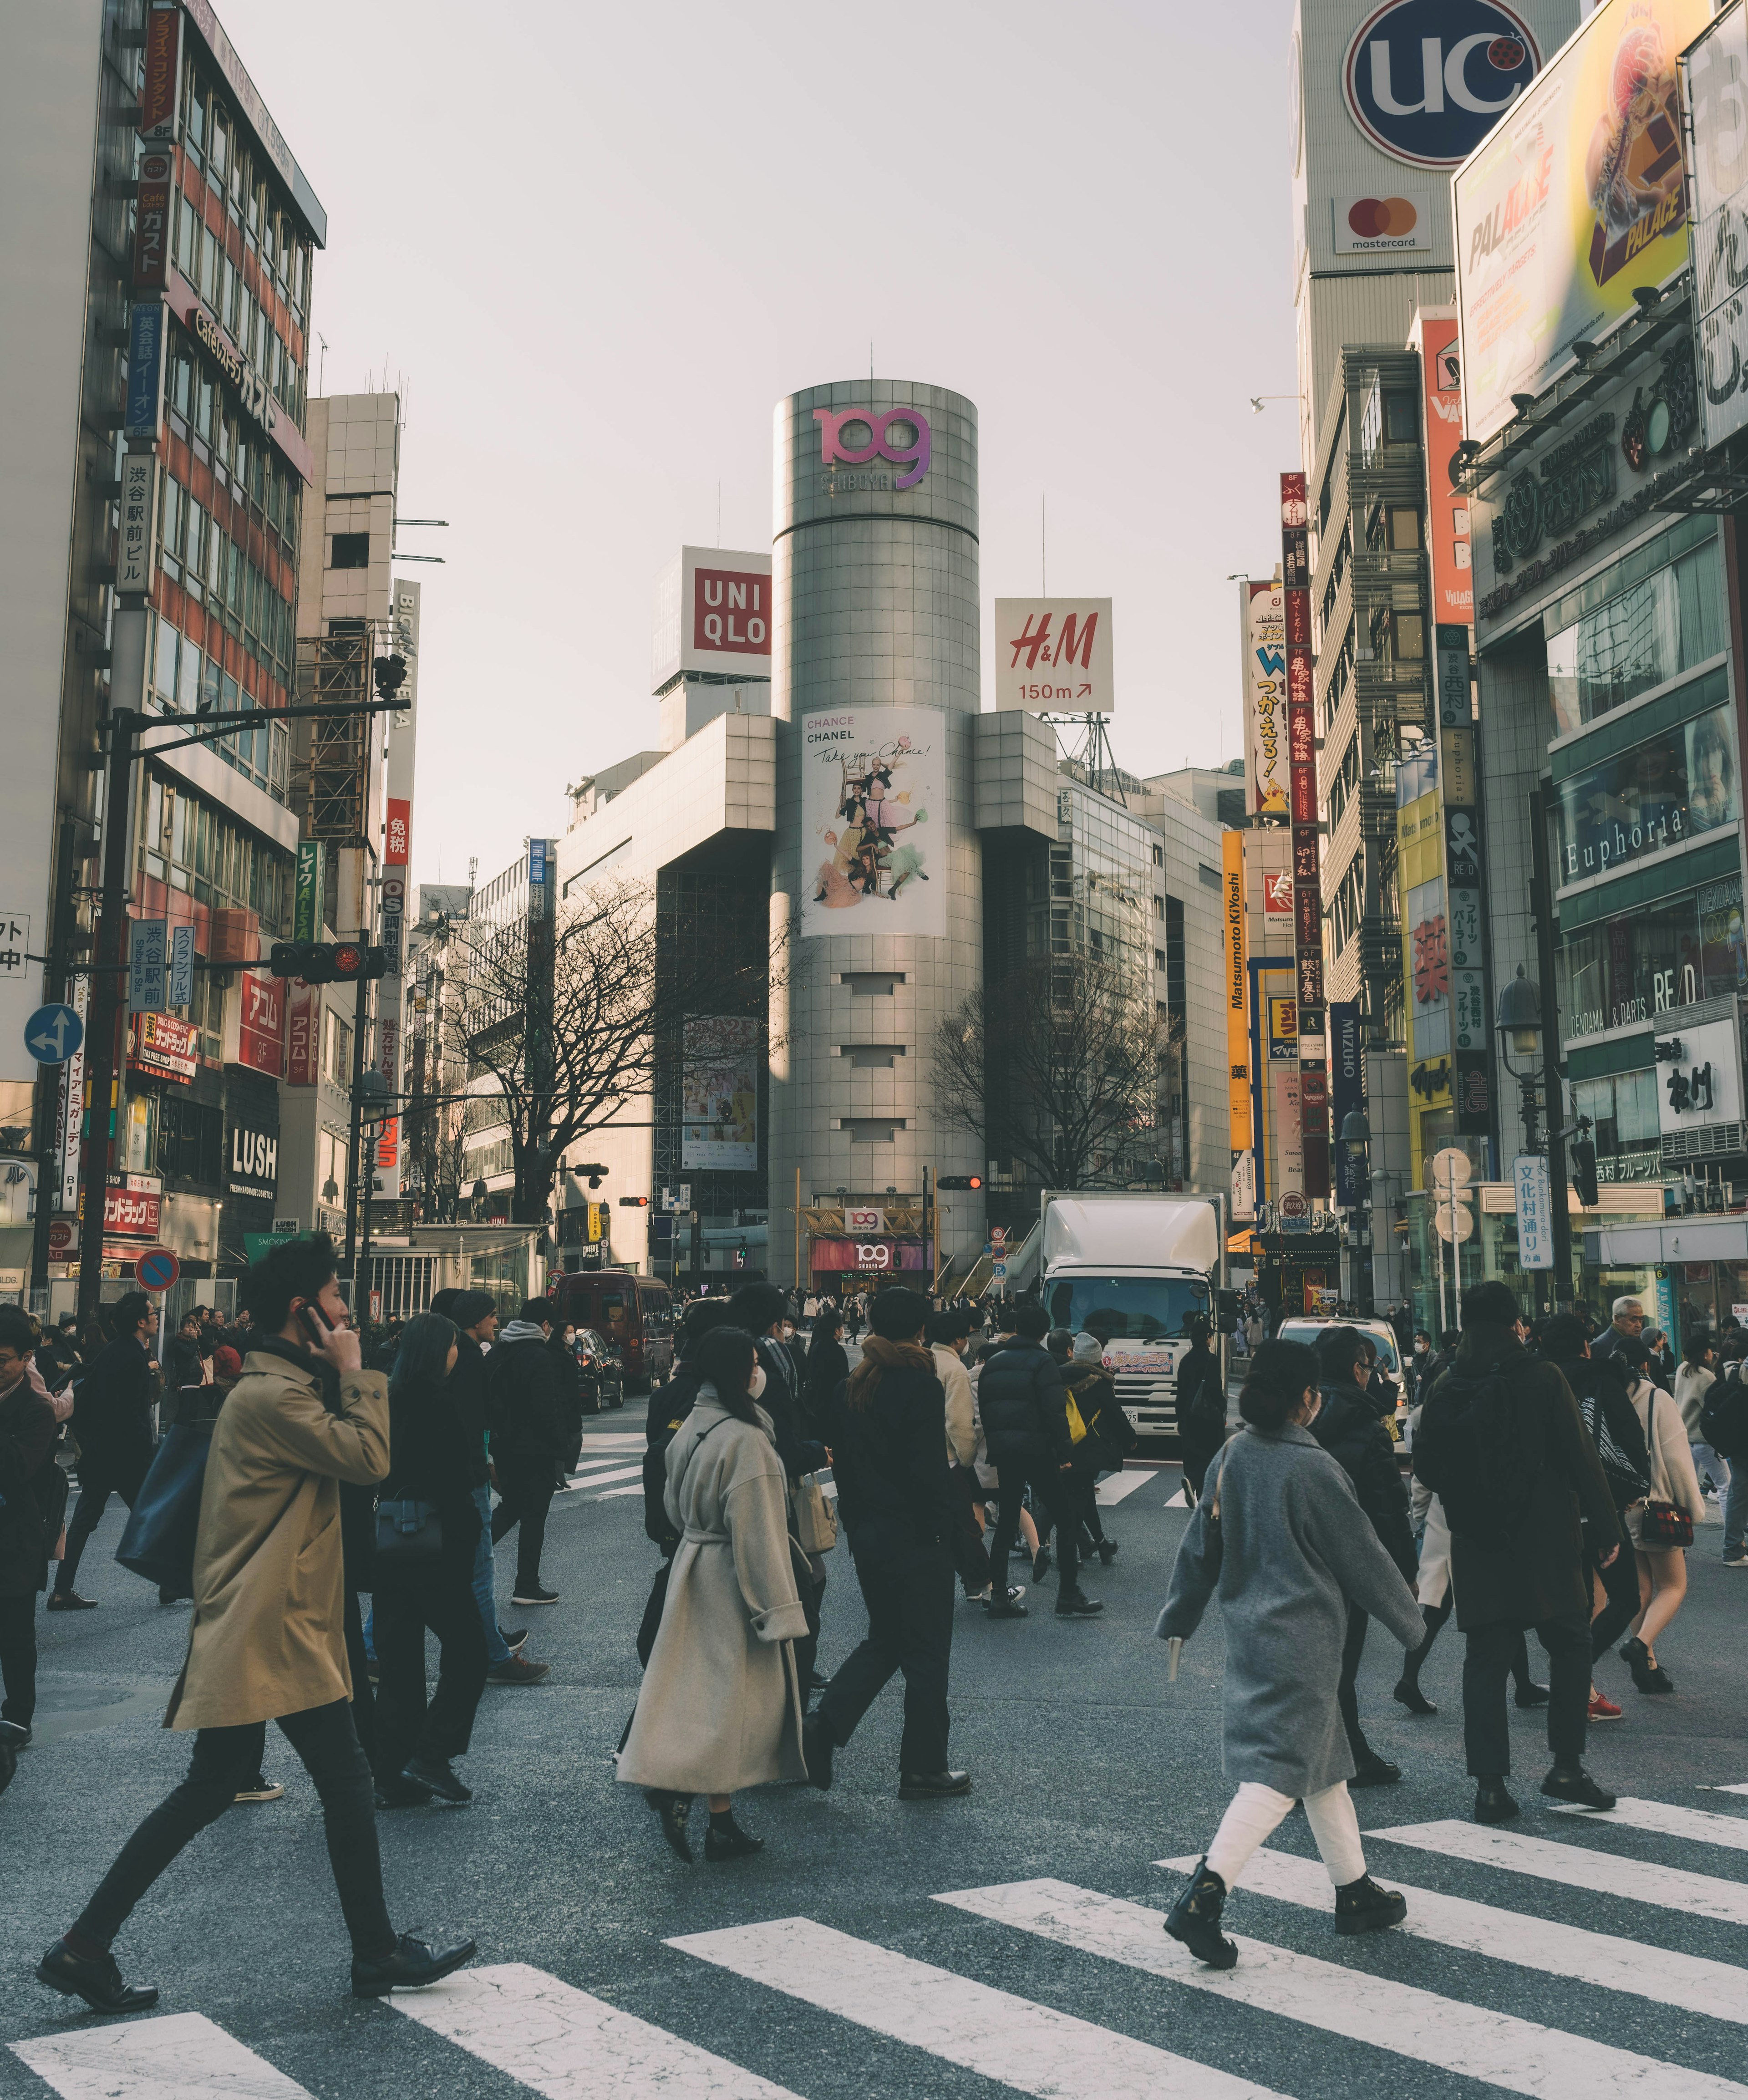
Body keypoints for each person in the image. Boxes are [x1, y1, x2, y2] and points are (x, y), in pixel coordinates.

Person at [37, 1233, 476, 2014]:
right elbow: (370, 1459)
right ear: (304, 1312)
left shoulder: (281, 1389)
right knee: (342, 1782)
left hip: (268, 1620)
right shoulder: (276, 1398)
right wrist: (355, 1370)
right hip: (274, 1623)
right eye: (338, 1297)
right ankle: (373, 1951)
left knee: (219, 1788)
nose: (350, 1312)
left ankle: (85, 1945)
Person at [1157, 1341, 1423, 1967]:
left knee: (1325, 1763)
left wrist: (1179, 1617)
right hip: (1305, 1641)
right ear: (1308, 1400)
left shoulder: (1233, 1455)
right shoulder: (1314, 1470)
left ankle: (1355, 1890)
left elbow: (1201, 1545)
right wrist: (1413, 1627)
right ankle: (1203, 1896)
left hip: (1250, 1631)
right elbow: (1365, 1558)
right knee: (1279, 1772)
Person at [1414, 1281, 1623, 1825]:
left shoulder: (1448, 1381)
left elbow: (1429, 1467)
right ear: (1514, 1323)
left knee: (1485, 1661)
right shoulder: (1541, 1376)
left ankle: (1490, 1787)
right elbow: (1583, 1458)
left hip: (1477, 1542)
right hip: (1546, 1539)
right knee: (1572, 1643)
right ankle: (1566, 1767)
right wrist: (1606, 1528)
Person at [620, 1326, 808, 1861]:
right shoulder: (747, 1440)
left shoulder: (696, 1425)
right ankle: (681, 1790)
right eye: (752, 1362)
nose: (758, 1370)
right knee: (735, 1705)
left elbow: (674, 1505)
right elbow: (760, 1532)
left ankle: (718, 1818)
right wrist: (778, 1609)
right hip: (733, 1579)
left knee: (709, 1698)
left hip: (693, 1566)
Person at [805, 1289, 968, 1800]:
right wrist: (947, 1534)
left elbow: (844, 1467)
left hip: (870, 1536)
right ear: (921, 1329)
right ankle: (923, 1767)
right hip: (917, 1538)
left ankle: (822, 1728)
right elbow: (927, 1474)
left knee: (889, 1640)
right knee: (925, 1653)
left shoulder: (853, 1385)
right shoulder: (918, 1384)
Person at [371, 1312, 491, 1809]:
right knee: (470, 1650)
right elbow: (452, 1483)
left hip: (392, 1542)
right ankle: (432, 1753)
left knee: (400, 1666)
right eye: (451, 1345)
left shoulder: (389, 1400)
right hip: (437, 1546)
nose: (456, 1353)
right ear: (437, 1351)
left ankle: (392, 1774)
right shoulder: (437, 1404)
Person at [1310, 1327, 1418, 1787]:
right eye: (1369, 1366)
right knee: (1342, 1663)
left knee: (1317, 1665)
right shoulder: (1366, 1426)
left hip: (1299, 1557)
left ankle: (1349, 1753)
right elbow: (1388, 1507)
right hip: (1348, 1563)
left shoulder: (1300, 1418)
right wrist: (1403, 1572)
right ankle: (1328, 1761)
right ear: (1357, 1370)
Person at [431, 1291, 544, 1689]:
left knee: (416, 1567)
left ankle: (489, 1645)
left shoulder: (451, 1353)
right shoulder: (466, 1357)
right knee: (480, 1566)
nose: (496, 1323)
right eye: (493, 1316)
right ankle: (494, 1655)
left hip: (447, 1472)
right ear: (477, 1320)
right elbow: (473, 1419)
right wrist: (488, 1463)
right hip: (468, 1473)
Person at [1539, 1315, 1646, 1722]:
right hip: (1600, 1504)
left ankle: (1580, 1690)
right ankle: (1575, 1681)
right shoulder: (1603, 1378)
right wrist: (1634, 1486)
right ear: (1586, 1346)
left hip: (1552, 1508)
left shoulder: (1537, 1382)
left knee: (1577, 1604)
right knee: (1625, 1597)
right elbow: (1630, 1438)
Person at [978, 1301, 1100, 1618]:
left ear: (1017, 1328)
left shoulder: (995, 1362)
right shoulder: (1043, 1362)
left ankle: (999, 1596)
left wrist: (997, 1444)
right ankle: (1068, 1594)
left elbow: (987, 1410)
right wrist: (1064, 1452)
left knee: (1006, 1523)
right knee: (1064, 1515)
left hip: (1005, 1451)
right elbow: (1054, 1411)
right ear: (1044, 1332)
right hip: (1037, 1450)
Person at [50, 1292, 160, 1612]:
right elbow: (133, 1412)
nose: (156, 1317)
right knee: (150, 1516)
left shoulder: (115, 1350)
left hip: (102, 1453)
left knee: (86, 1519)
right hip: (124, 1456)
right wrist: (148, 1455)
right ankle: (173, 1581)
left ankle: (61, 1589)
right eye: (152, 1313)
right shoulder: (131, 1355)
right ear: (141, 1322)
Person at [1615, 1332, 1706, 1695]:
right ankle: (1639, 1645)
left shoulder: (1607, 1398)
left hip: (1625, 1507)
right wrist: (1693, 1510)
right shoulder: (1657, 1398)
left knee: (1641, 1588)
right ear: (1646, 1364)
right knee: (1674, 1585)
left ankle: (1648, 1663)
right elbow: (1677, 1460)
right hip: (1658, 1505)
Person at [0, 1306, 64, 1750]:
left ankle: (18, 1715)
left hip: (14, 1538)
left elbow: (18, 1468)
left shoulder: (36, 1410)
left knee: (15, 1632)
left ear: (25, 1359)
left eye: (2, 1358)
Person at [487, 1298, 569, 1608]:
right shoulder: (539, 1356)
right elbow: (547, 1408)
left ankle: (469, 1557)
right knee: (534, 1517)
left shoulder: (499, 1352)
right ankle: (527, 1584)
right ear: (546, 1326)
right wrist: (560, 1446)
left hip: (504, 1449)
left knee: (511, 1508)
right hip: (536, 1452)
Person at [1062, 1331, 1124, 1564]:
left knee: (1085, 1496)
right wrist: (1130, 1438)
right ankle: (1063, 1553)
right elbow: (1115, 1414)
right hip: (1088, 1448)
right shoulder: (1099, 1382)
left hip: (1065, 1445)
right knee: (1076, 1502)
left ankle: (1098, 1543)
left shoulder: (1060, 1376)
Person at [1175, 1317, 1225, 1503]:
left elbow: (1180, 1392)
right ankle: (1197, 1485)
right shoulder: (1211, 1360)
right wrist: (1222, 1407)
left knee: (1193, 1453)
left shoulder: (1186, 1361)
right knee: (1210, 1456)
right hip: (1208, 1417)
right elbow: (1213, 1390)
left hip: (1189, 1415)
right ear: (1207, 1337)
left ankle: (1191, 1479)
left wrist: (1180, 1418)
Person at [1676, 1331, 1727, 1505]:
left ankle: (1685, 1527)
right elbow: (1714, 1408)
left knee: (1688, 1488)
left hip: (1685, 1437)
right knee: (1725, 1486)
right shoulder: (1706, 1377)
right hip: (1703, 1440)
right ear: (1705, 1353)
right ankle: (1732, 1532)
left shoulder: (1682, 1369)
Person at [803, 1306, 850, 1445]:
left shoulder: (817, 1346)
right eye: (841, 1327)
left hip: (817, 1402)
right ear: (837, 1330)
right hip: (832, 1405)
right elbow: (844, 1381)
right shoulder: (837, 1350)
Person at [1588, 1296, 1644, 1366]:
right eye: (1634, 1320)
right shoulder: (1599, 1347)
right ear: (1617, 1319)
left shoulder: (1638, 1343)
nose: (1639, 1325)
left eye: (1641, 1320)